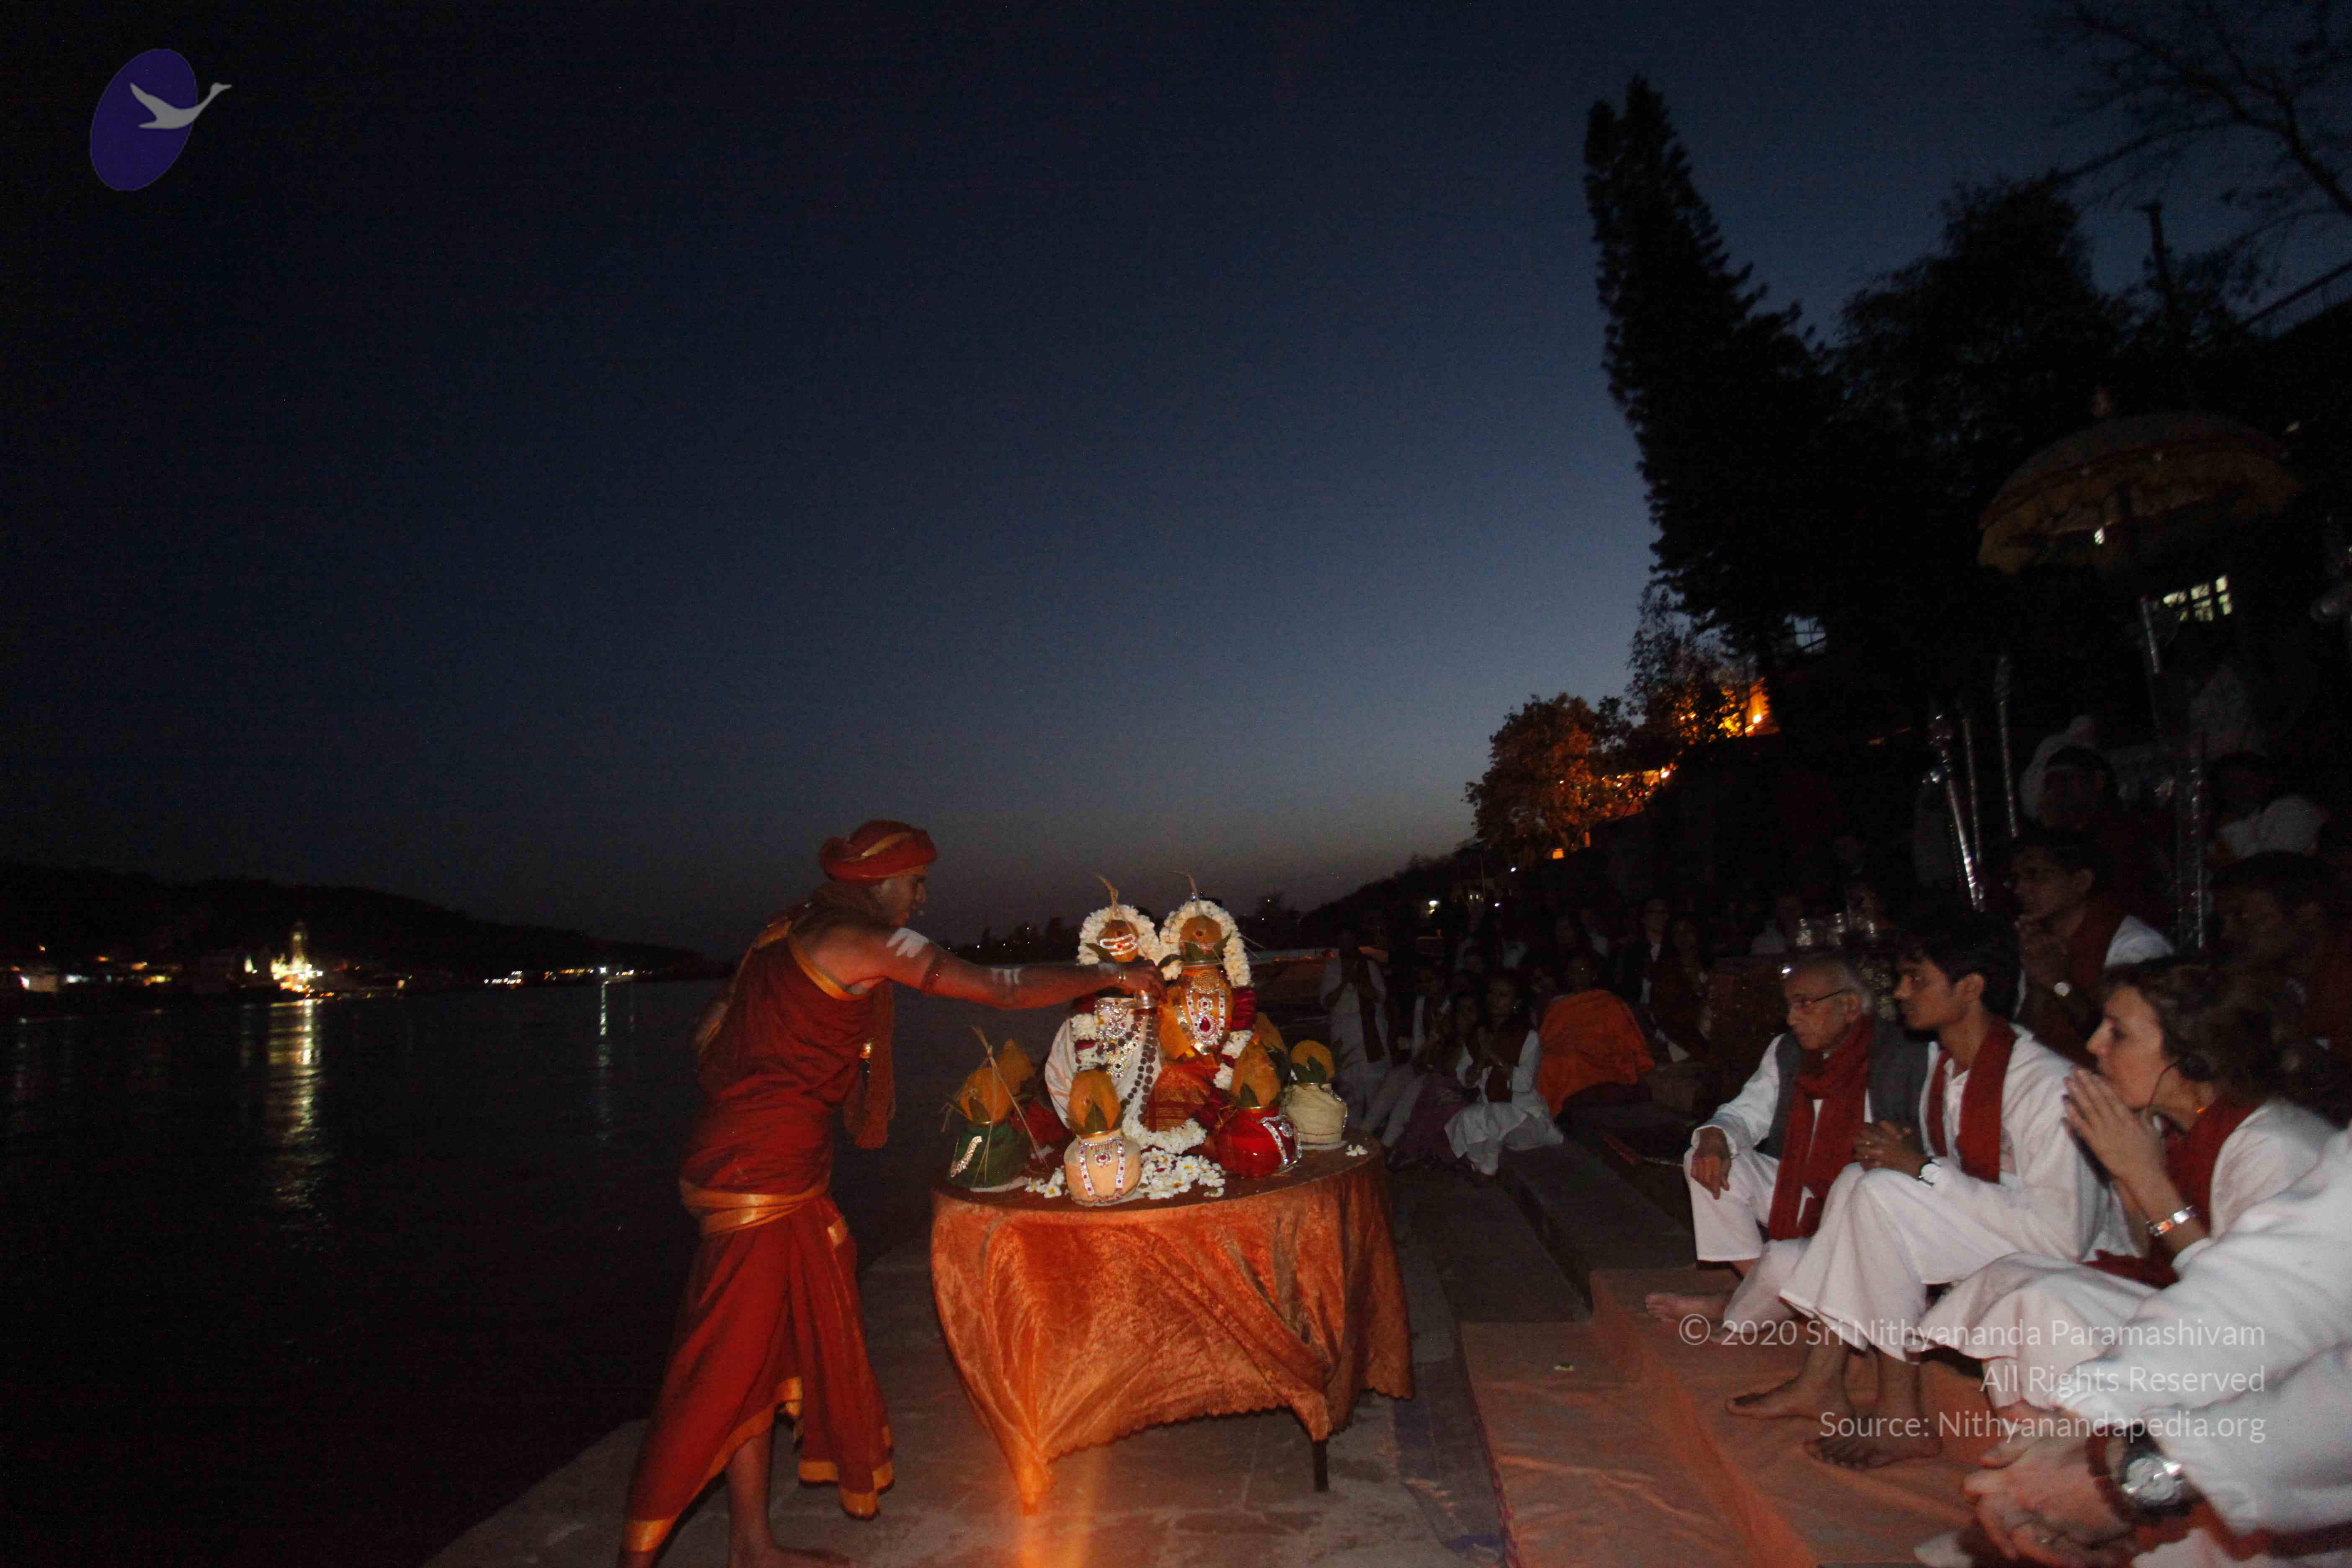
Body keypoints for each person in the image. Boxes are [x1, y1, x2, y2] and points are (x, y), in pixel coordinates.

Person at [619, 821, 1164, 1568]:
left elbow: (717, 1033)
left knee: (759, 1351)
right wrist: (1109, 974)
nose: (923, 897)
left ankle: (751, 1545)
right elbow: (999, 988)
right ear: (879, 884)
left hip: (754, 1158)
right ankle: (637, 1554)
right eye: (916, 882)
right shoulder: (859, 939)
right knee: (715, 1373)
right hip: (757, 1177)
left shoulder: (789, 929)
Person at [1732, 908, 2115, 1470]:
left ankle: (1900, 1417)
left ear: (1971, 988)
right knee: (1862, 1179)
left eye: (1918, 980)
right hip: (1997, 1232)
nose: (1901, 993)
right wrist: (1907, 1158)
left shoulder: (2043, 1085)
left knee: (1883, 1193)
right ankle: (1822, 1381)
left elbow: (2063, 1237)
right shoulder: (1945, 1067)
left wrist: (1924, 1170)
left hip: (2069, 1257)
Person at [1920, 958, 2333, 1425]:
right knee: (2013, 1273)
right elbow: (2148, 1251)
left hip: (2284, 1369)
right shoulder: (2170, 1125)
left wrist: (2146, 1179)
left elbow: (2248, 1313)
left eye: (2118, 1034)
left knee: (2048, 1300)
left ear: (2190, 1057)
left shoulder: (2272, 1148)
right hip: (2207, 1314)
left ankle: (2085, 1453)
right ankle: (2038, 1442)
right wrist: (2129, 1180)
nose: (2093, 1045)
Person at [1957, 1125, 2352, 1568]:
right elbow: (2285, 1280)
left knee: (2055, 1301)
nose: (2094, 1054)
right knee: (2034, 1289)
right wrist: (2088, 1419)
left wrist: (2150, 1471)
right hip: (2217, 1338)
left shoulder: (2274, 1143)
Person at [1643, 953, 1929, 1337]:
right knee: (1704, 1157)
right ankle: (1771, 1293)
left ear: (1849, 1006)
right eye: (1790, 1006)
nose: (1792, 1019)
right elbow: (1747, 1113)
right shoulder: (1789, 1051)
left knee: (1784, 1263)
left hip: (1868, 1206)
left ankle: (1744, 1304)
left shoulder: (1906, 1054)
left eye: (1804, 1004)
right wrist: (1714, 1136)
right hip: (1799, 1188)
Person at [2011, 830, 2174, 1061]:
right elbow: (2022, 1041)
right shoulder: (2040, 942)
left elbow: (2126, 1043)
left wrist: (2059, 984)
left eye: (2036, 876)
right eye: (2016, 879)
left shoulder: (2135, 945)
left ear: (2081, 882)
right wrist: (2038, 987)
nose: (2020, 889)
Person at [2215, 852, 2352, 1062]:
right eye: (2223, 921)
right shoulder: (2262, 980)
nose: (2227, 933)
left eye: (2241, 916)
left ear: (2308, 915)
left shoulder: (2344, 980)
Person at [1444, 969, 1564, 1179]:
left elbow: (1524, 1083)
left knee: (1495, 1115)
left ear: (1516, 1002)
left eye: (1503, 995)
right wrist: (1481, 1059)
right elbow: (1466, 1080)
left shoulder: (1528, 1037)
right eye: (1492, 993)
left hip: (1526, 1119)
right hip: (1491, 1115)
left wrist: (1492, 1054)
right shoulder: (1477, 1035)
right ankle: (1477, 1165)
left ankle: (1487, 1170)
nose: (1495, 1000)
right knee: (1471, 1116)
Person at [2037, 745, 2171, 931]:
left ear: (2098, 781)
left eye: (2066, 781)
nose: (2057, 792)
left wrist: (2053, 834)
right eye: (2050, 785)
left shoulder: (2121, 829)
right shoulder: (2076, 829)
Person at [1534, 951, 1655, 1114]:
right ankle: (1550, 1117)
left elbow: (1627, 1036)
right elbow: (1548, 1038)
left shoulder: (1609, 1001)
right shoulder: (1558, 1005)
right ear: (1567, 975)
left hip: (1601, 1054)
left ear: (1594, 975)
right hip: (1565, 1053)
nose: (1578, 975)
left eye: (1583, 970)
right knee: (1549, 1062)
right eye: (1573, 971)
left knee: (1573, 1061)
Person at [1320, 923, 1389, 1122]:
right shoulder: (1333, 967)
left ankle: (1376, 1125)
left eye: (1350, 940)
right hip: (1345, 1033)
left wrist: (1359, 981)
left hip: (1371, 1033)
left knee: (1375, 1082)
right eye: (1343, 941)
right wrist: (1345, 980)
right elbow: (1327, 1002)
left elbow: (1380, 996)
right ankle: (1353, 1126)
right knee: (1349, 1083)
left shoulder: (1370, 966)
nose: (1347, 945)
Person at [2212, 751, 2330, 863]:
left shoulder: (2296, 811)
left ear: (2267, 782)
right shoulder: (2227, 818)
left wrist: (2235, 826)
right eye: (2228, 785)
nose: (2236, 791)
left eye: (2244, 783)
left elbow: (2270, 865)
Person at [1615, 895, 1672, 1005]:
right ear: (1643, 919)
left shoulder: (1678, 949)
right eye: (1653, 912)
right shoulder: (1628, 952)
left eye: (1664, 911)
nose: (1660, 916)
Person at [1750, 892, 1806, 956]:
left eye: (1794, 908)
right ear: (1777, 911)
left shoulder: (1814, 934)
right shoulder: (1763, 941)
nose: (1790, 912)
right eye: (1785, 908)